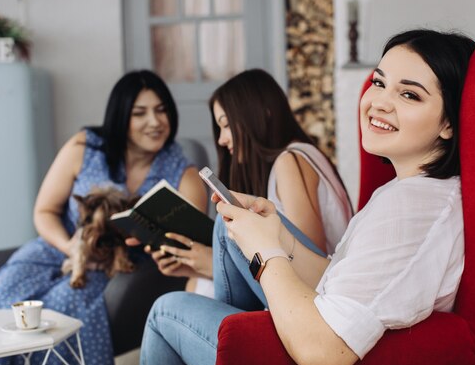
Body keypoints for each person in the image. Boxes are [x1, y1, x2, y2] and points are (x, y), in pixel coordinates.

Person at [137, 29, 475, 365]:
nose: (379, 102)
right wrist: (277, 233)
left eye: (409, 94)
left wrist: (265, 251)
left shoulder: (411, 210)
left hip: (318, 362)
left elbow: (320, 354)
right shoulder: (405, 191)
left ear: (448, 123)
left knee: (166, 311)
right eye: (379, 83)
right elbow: (337, 279)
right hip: (320, 331)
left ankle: (238, 360)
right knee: (229, 227)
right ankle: (238, 353)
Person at [0, 70, 207, 365]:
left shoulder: (183, 174)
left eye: (161, 110)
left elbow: (187, 242)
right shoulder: (85, 147)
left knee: (64, 307)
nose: (155, 122)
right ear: (119, 117)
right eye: (140, 113)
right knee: (6, 294)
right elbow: (44, 211)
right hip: (54, 250)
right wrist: (70, 247)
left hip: (115, 268)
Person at [145, 69, 353, 303]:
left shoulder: (291, 161)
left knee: (172, 303)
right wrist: (200, 266)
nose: (222, 140)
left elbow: (308, 268)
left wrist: (212, 263)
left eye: (226, 125)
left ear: (260, 115)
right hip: (304, 294)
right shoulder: (293, 159)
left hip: (319, 299)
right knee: (191, 287)